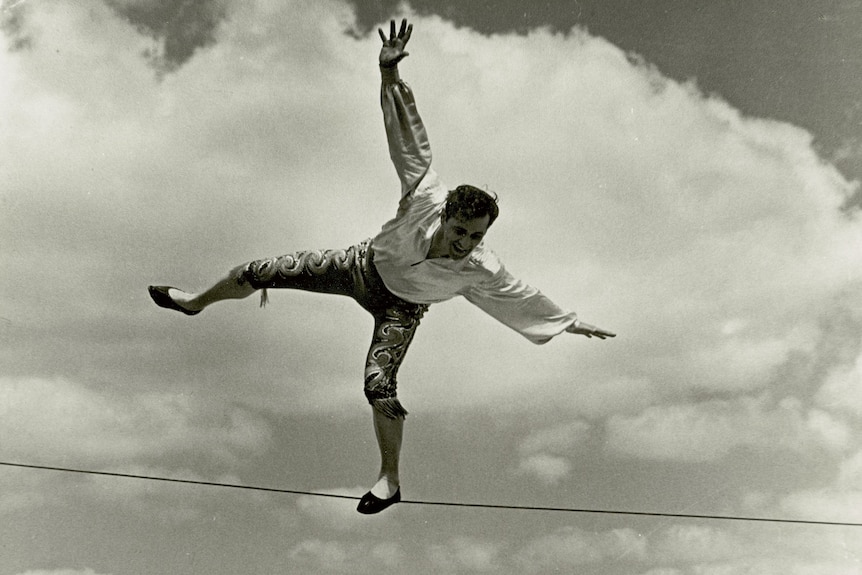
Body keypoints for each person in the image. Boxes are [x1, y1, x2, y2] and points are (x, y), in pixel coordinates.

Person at [148, 18, 615, 515]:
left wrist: (567, 322)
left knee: (378, 386)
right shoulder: (426, 195)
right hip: (357, 266)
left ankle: (390, 480)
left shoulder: (482, 268)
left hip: (402, 310)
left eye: (475, 236)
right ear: (448, 216)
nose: (464, 243)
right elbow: (409, 139)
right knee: (261, 270)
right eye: (460, 231)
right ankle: (196, 302)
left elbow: (520, 295)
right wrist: (390, 77)